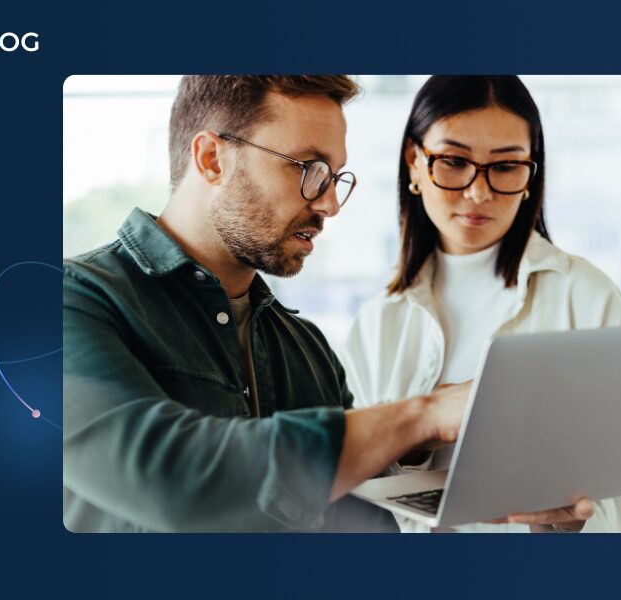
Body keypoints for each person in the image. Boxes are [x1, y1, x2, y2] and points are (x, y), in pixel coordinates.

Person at [62, 76, 471, 532]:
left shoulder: (309, 350)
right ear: (211, 158)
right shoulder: (68, 303)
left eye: (335, 177)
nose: (330, 204)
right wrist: (424, 414)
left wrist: (525, 503)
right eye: (309, 169)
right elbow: (169, 478)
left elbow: (367, 530)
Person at [340, 76, 621, 533]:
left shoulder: (587, 298)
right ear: (414, 163)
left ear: (531, 173)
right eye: (454, 162)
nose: (478, 192)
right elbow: (353, 498)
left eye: (505, 167)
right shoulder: (377, 324)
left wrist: (574, 526)